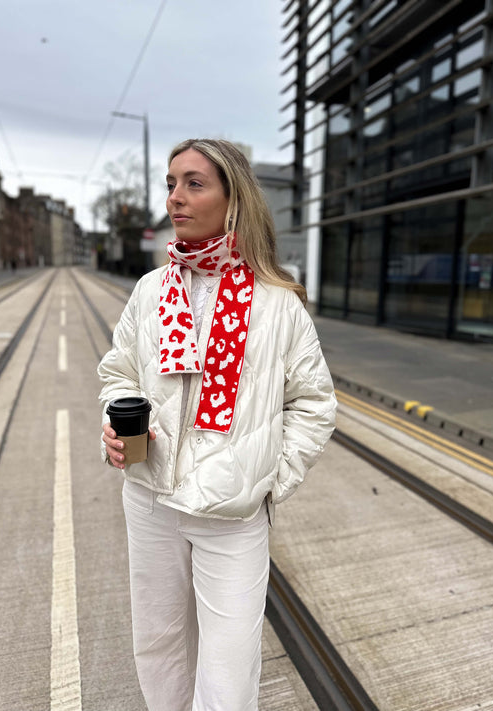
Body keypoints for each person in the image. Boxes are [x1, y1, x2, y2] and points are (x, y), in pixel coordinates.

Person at [98, 138, 337, 711]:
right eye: (171, 183)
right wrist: (114, 422)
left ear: (234, 201)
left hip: (231, 514)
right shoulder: (151, 291)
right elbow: (120, 373)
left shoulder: (278, 302)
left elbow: (314, 402)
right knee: (159, 644)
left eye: (194, 183)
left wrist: (269, 477)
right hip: (150, 498)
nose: (175, 197)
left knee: (229, 672)